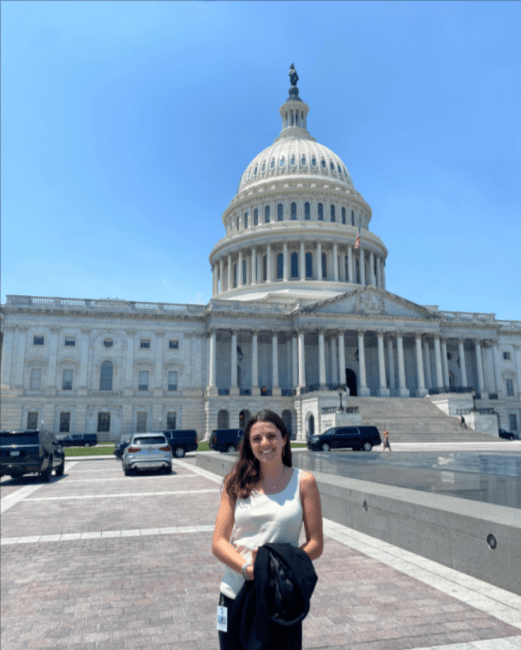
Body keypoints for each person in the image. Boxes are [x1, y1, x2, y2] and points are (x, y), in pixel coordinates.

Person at [212, 409, 324, 650]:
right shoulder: (235, 481)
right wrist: (249, 569)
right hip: (235, 592)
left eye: (272, 436)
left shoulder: (304, 482)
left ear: (284, 438)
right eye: (256, 438)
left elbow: (315, 544)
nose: (265, 443)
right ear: (249, 445)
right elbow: (219, 542)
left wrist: (275, 568)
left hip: (279, 598)